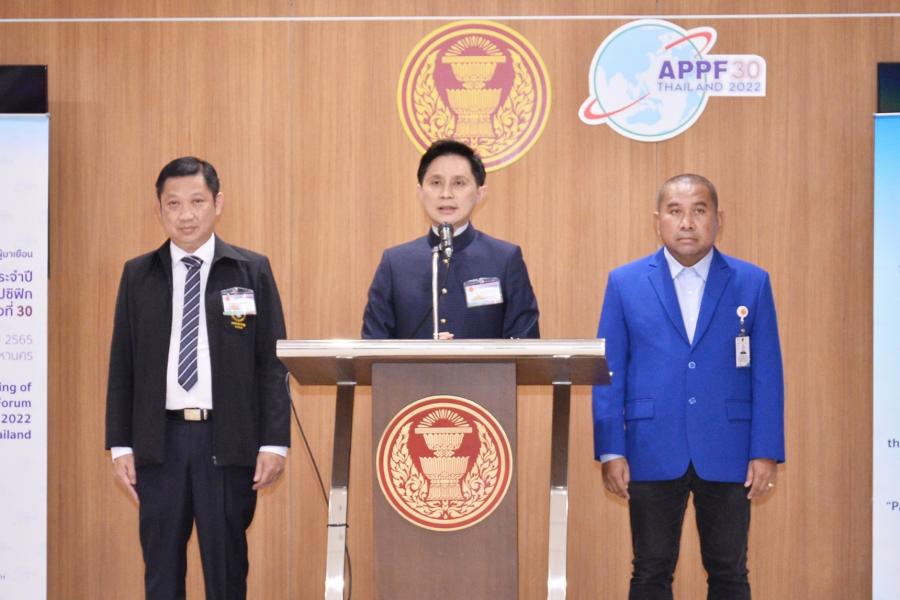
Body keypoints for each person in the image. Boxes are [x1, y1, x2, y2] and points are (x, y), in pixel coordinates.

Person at [105, 156, 291, 600]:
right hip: (159, 444)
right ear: (159, 209)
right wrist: (121, 445)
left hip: (227, 442)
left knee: (226, 573)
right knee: (161, 574)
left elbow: (272, 363)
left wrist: (274, 443)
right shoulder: (138, 275)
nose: (185, 215)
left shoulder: (250, 270)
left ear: (217, 204)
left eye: (197, 202)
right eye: (173, 204)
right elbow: (122, 363)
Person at [592, 174, 784, 600]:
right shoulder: (624, 282)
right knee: (650, 570)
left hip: (729, 446)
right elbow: (609, 371)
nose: (687, 222)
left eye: (699, 210)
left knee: (730, 571)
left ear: (718, 219)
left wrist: (765, 450)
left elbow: (767, 372)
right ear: (657, 220)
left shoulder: (752, 282)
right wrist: (611, 449)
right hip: (650, 446)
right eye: (675, 211)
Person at [362, 139, 539, 339]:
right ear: (420, 192)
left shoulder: (505, 259)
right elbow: (373, 344)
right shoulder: (395, 263)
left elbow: (525, 341)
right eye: (436, 183)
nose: (446, 194)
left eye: (459, 183)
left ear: (480, 193)